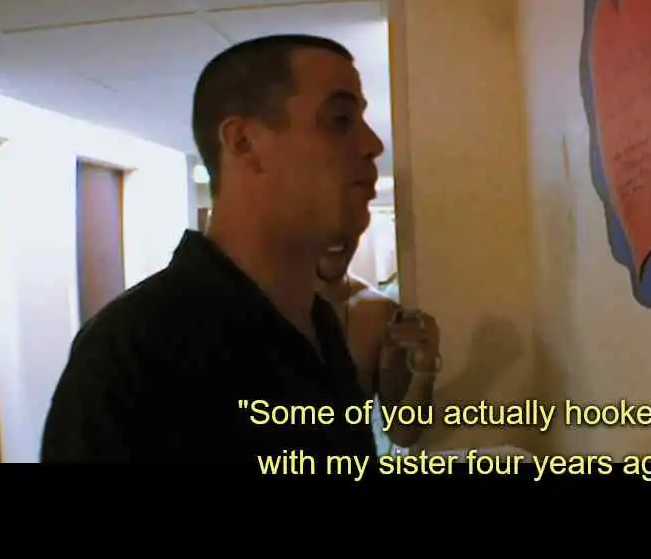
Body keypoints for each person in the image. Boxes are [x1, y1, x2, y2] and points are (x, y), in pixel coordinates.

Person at [41, 34, 392, 468]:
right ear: (244, 142)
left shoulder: (321, 326)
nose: (373, 144)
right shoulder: (133, 350)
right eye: (340, 120)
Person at [315, 240, 440, 451]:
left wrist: (424, 369)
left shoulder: (378, 312)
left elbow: (403, 434)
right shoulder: (260, 305)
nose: (335, 234)